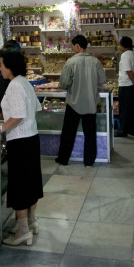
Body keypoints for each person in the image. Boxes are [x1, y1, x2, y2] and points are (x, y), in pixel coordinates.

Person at [0, 50, 43, 246]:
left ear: (10, 66)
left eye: (1, 64)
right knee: (31, 182)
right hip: (31, 137)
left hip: (20, 141)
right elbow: (34, 108)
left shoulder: (14, 85)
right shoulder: (24, 82)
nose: (0, 68)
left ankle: (23, 231)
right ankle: (31, 223)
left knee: (20, 185)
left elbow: (17, 116)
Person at [56, 34, 106, 168]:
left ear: (77, 46)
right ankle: (89, 161)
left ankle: (63, 159)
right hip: (91, 103)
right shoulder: (95, 61)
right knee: (90, 133)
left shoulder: (70, 62)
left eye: (73, 46)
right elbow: (102, 80)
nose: (73, 49)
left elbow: (64, 83)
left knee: (68, 132)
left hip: (74, 103)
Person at [116, 36, 134, 137]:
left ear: (122, 46)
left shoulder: (125, 55)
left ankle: (123, 130)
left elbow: (128, 70)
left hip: (126, 86)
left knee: (124, 109)